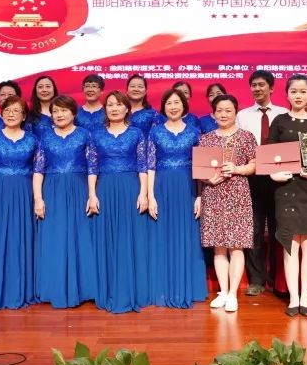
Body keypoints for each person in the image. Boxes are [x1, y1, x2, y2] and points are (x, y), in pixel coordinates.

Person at [266, 75, 307, 317]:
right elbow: (269, 154)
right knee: (290, 244)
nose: (299, 96)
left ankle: (306, 297)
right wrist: (274, 174)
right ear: (287, 94)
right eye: (294, 91)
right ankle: (293, 298)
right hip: (286, 188)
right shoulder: (279, 121)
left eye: (303, 91)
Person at [33, 95, 100, 308]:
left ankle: (84, 289)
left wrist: (92, 194)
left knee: (81, 237)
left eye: (63, 110)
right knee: (55, 237)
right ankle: (54, 289)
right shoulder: (45, 137)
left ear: (73, 113)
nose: (59, 114)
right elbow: (38, 170)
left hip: (79, 190)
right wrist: (38, 198)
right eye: (55, 111)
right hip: (52, 191)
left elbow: (92, 167)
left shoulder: (85, 135)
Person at [147, 88, 206, 308]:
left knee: (187, 236)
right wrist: (150, 196)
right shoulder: (155, 132)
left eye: (177, 103)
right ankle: (162, 289)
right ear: (163, 107)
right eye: (169, 103)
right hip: (161, 187)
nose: (173, 107)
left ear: (184, 106)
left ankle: (187, 287)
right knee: (161, 236)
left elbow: (200, 167)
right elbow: (150, 166)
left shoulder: (195, 132)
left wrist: (199, 195)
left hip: (187, 187)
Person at [198, 94, 257, 313]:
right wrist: (207, 179)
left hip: (238, 193)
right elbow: (201, 169)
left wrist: (237, 169)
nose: (223, 114)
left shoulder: (246, 137)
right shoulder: (206, 139)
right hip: (213, 194)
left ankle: (233, 294)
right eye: (219, 111)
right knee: (219, 247)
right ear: (213, 114)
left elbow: (255, 164)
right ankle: (223, 291)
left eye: (228, 110)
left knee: (236, 246)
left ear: (235, 112)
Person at [91, 91, 150, 313]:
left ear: (127, 108)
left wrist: (143, 193)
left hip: (130, 188)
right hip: (105, 188)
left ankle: (131, 288)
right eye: (110, 105)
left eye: (118, 104)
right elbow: (92, 167)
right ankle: (108, 288)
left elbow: (143, 165)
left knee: (130, 236)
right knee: (107, 237)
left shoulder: (136, 134)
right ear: (105, 109)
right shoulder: (96, 134)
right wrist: (92, 194)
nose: (114, 108)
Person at [0, 95, 38, 310]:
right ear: (1, 114)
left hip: (24, 192)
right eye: (7, 110)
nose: (11, 114)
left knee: (23, 237)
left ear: (24, 116)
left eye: (16, 111)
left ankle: (22, 289)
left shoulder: (33, 140)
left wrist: (37, 198)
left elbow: (38, 171)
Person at [236, 70, 287, 295]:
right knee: (254, 229)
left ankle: (277, 279)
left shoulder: (283, 113)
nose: (257, 89)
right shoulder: (242, 116)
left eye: (261, 85)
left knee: (278, 229)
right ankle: (256, 280)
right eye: (254, 85)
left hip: (279, 178)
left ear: (272, 88)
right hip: (252, 177)